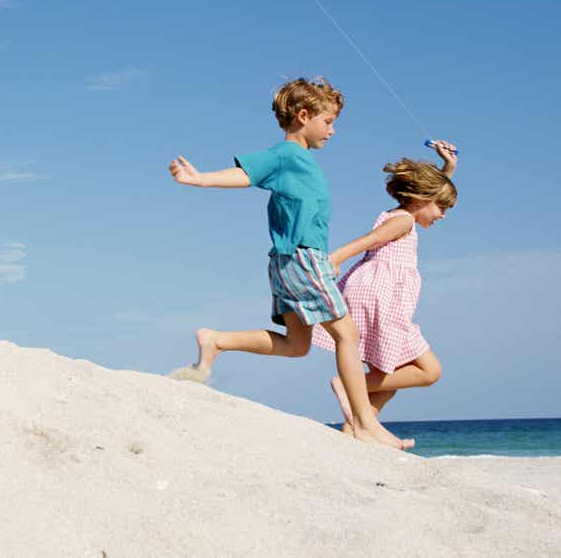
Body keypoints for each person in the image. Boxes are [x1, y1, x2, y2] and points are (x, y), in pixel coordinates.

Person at [167, 77, 411, 449]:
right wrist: (200, 180)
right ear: (303, 115)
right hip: (301, 258)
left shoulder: (302, 161)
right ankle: (364, 423)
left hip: (288, 262)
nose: (332, 130)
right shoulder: (286, 156)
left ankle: (217, 341)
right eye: (328, 121)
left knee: (298, 346)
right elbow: (248, 173)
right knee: (348, 335)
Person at [313, 142, 457, 435]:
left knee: (390, 373)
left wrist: (449, 169)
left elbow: (430, 196)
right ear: (421, 199)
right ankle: (349, 383)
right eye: (442, 207)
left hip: (378, 294)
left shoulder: (406, 214)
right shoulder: (404, 220)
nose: (443, 215)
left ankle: (357, 428)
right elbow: (371, 239)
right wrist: (335, 258)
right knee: (430, 371)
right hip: (381, 297)